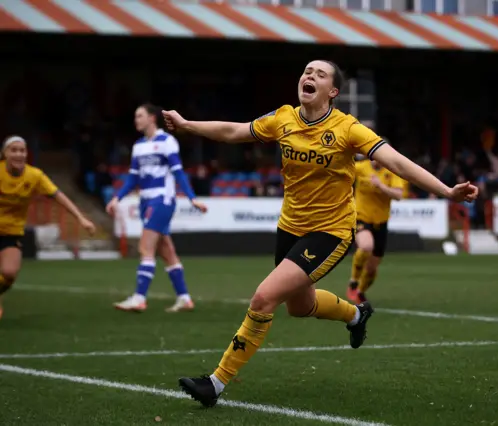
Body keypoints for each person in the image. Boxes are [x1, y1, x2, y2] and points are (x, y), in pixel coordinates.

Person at [162, 60, 478, 408]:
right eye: (306, 71)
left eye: (319, 74)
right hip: (289, 227)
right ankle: (357, 315)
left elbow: (396, 162)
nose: (309, 75)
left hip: (331, 232)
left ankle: (216, 383)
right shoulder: (283, 118)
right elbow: (235, 132)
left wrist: (446, 191)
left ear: (333, 92)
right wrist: (187, 125)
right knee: (301, 306)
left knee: (263, 298)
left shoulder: (348, 129)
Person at [106, 104, 207, 313]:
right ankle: (185, 298)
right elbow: (133, 177)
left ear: (152, 118)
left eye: (140, 115)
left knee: (146, 248)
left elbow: (178, 172)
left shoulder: (167, 142)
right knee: (166, 251)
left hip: (162, 200)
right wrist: (118, 198)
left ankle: (139, 298)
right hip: (145, 201)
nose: (136, 120)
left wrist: (192, 198)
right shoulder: (139, 146)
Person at [0, 135, 96, 319]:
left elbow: (58, 196)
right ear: (4, 154)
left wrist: (80, 218)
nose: (19, 154)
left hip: (12, 233)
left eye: (22, 150)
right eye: (14, 150)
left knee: (9, 274)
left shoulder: (34, 175)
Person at [347, 155, 407, 304]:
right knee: (366, 246)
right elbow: (342, 173)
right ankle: (353, 281)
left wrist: (381, 186)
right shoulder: (360, 167)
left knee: (372, 269)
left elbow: (399, 195)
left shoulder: (391, 171)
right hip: (361, 217)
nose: (377, 159)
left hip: (381, 222)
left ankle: (360, 292)